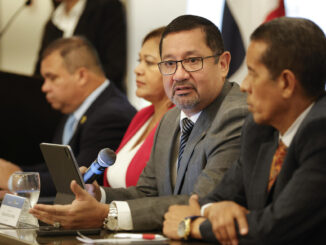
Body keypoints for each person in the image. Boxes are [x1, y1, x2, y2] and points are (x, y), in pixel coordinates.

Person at [29, 15, 248, 231]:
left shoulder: (235, 114)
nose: (179, 75)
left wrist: (108, 214)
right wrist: (98, 195)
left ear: (223, 64)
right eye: (170, 63)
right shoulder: (171, 118)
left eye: (192, 61)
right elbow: (147, 192)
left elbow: (199, 202)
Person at [163, 17, 326, 244]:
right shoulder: (259, 130)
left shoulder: (321, 132)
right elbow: (213, 198)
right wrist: (214, 211)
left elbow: (274, 228)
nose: (245, 85)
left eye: (252, 73)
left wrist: (193, 225)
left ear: (287, 83)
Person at [0, 36, 136, 197]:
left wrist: (16, 180)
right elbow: (56, 168)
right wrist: (17, 172)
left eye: (52, 78)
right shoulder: (75, 108)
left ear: (81, 75)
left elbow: (78, 180)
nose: (44, 87)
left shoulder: (111, 116)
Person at [103, 27, 174, 188]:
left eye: (149, 62)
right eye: (139, 61)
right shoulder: (142, 116)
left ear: (173, 68)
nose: (137, 70)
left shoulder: (178, 121)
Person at [34, 0, 127, 92]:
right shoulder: (54, 19)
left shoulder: (107, 7)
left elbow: (115, 68)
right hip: (59, 101)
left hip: (101, 99)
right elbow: (40, 70)